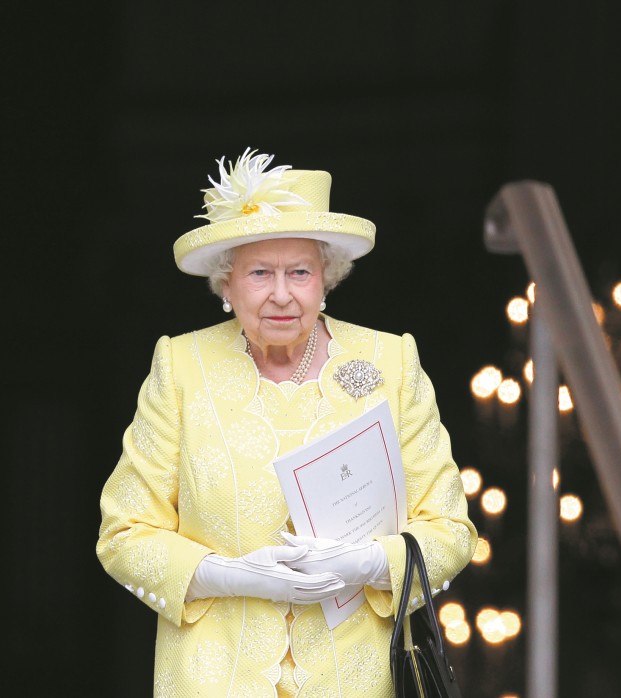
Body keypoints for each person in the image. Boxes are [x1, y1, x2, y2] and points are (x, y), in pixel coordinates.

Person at [96, 148, 477, 697]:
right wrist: (232, 576)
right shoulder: (181, 367)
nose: (281, 294)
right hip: (214, 680)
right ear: (227, 286)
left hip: (355, 681)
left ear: (328, 278)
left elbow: (450, 530)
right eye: (259, 273)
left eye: (300, 271)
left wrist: (368, 563)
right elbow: (124, 535)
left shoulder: (390, 362)